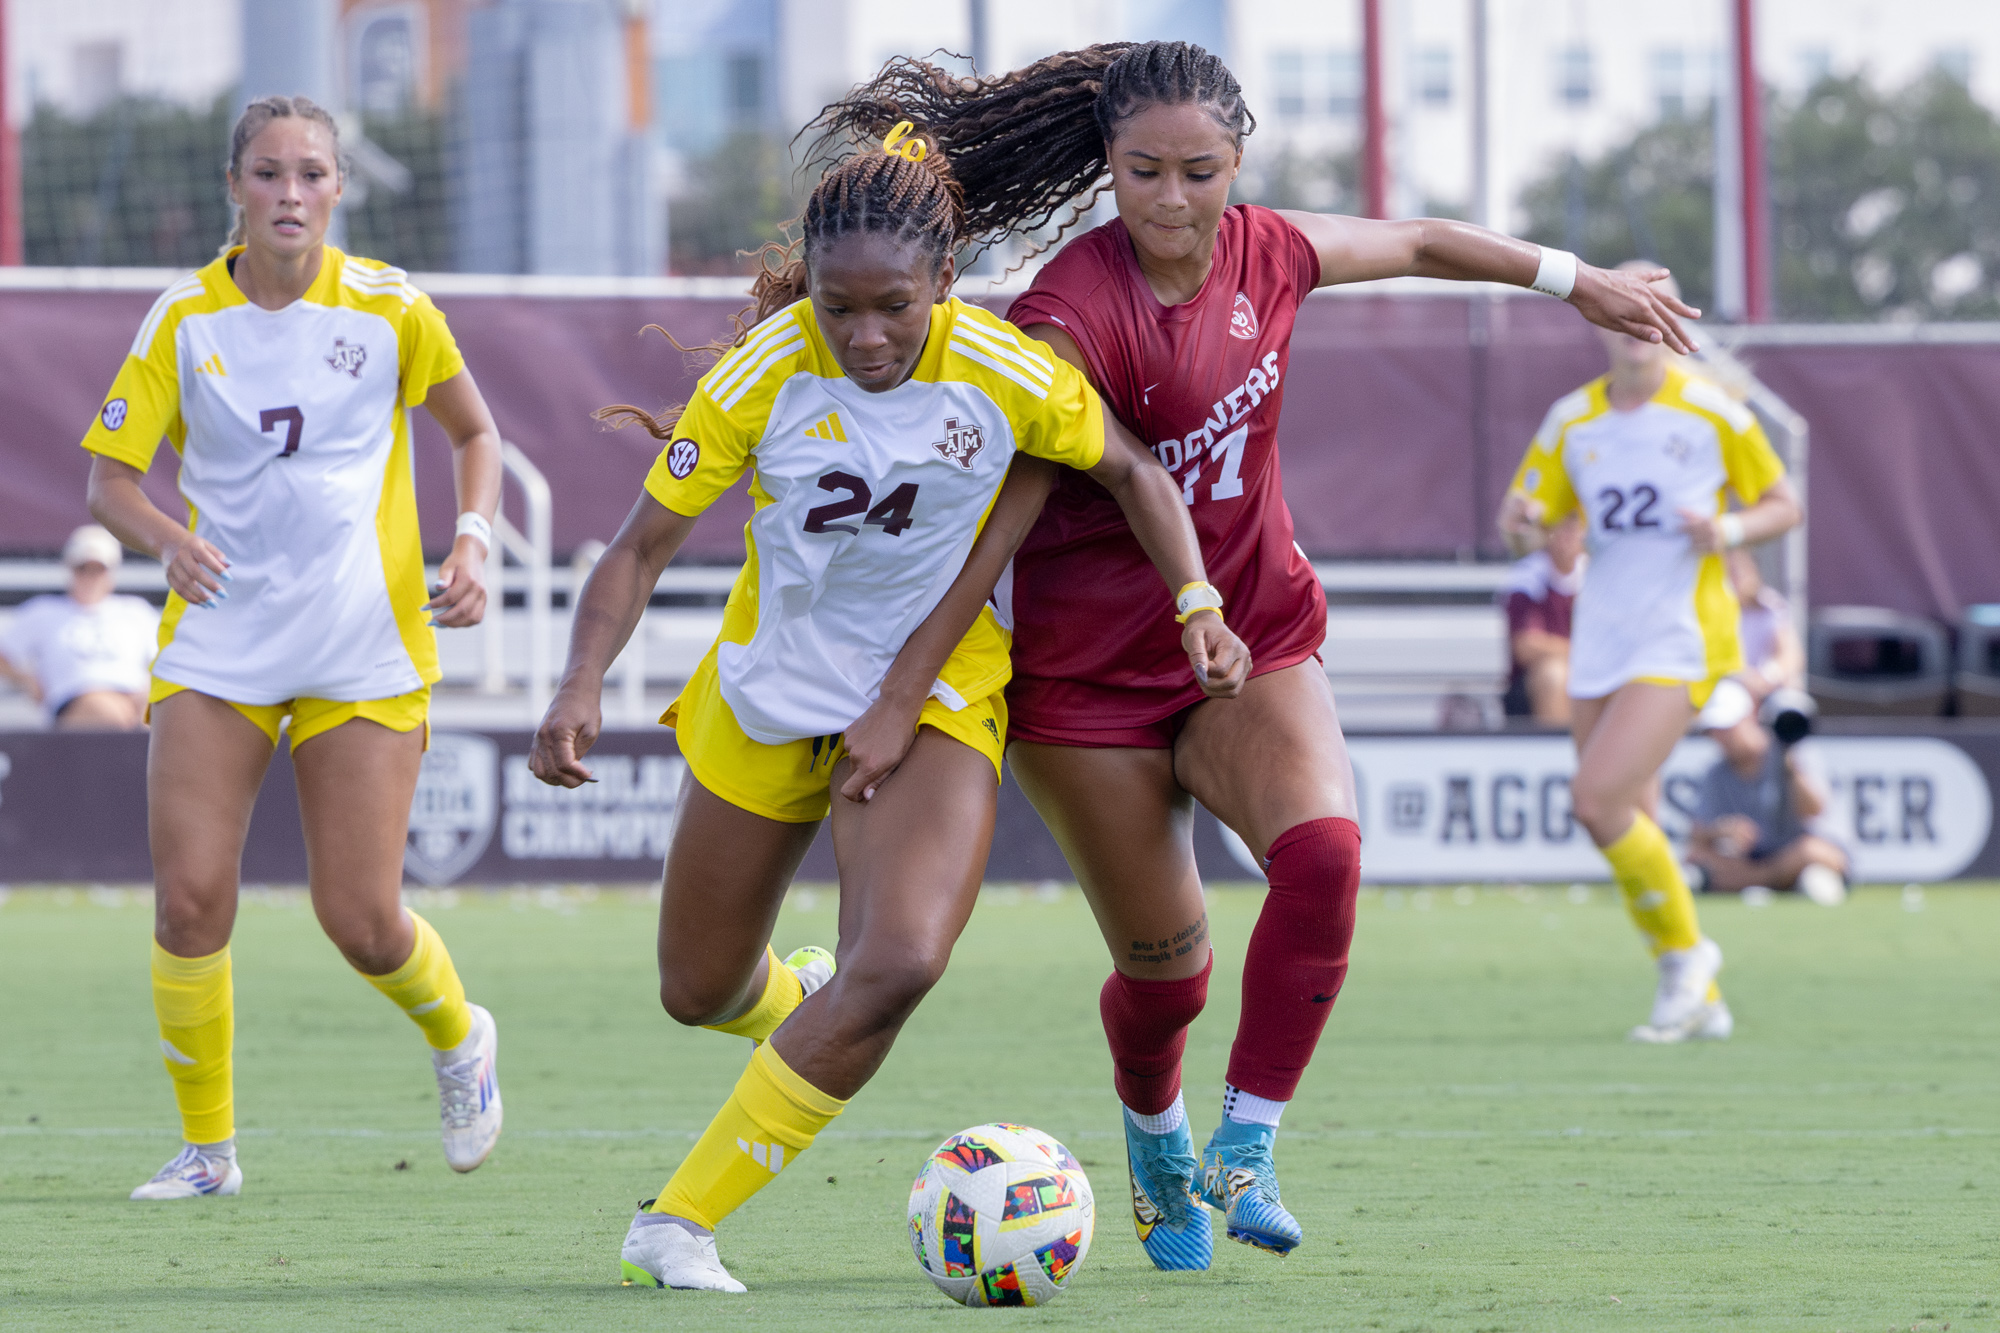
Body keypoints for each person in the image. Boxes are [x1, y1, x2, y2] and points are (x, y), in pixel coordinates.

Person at [805, 41, 1700, 1268]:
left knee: (1324, 854)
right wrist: (908, 689)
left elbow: (1429, 243)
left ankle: (1246, 1140)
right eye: (1140, 173)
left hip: (1254, 631)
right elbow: (1010, 508)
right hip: (1089, 681)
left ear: (1238, 163)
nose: (1170, 201)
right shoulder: (1067, 313)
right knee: (1166, 975)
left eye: (1198, 171)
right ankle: (1153, 1127)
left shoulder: (1271, 252)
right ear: (1105, 167)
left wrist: (1574, 279)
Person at [527, 123, 1244, 1294]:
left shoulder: (1006, 371)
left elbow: (1133, 473)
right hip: (771, 693)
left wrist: (1196, 602)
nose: (864, 336)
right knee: (696, 990)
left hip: (941, 695)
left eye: (893, 309)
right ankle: (796, 998)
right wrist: (578, 679)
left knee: (901, 958)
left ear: (943, 287)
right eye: (836, 307)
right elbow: (638, 546)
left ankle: (677, 1221)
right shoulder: (761, 372)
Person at [80, 96, 507, 1200]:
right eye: (267, 174)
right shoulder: (181, 319)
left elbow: (474, 433)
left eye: (311, 174)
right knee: (188, 901)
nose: (290, 194)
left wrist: (470, 539)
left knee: (360, 922)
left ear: (337, 190)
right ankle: (209, 1151)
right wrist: (169, 543)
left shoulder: (391, 308)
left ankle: (462, 1037)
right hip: (219, 647)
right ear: (234, 187)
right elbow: (110, 484)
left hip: (362, 646)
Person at [1500, 264, 1802, 1045]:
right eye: (1619, 311)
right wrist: (1527, 522)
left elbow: (1783, 504)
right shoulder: (1572, 419)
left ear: (1669, 319)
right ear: (1595, 319)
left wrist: (1727, 531)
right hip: (1600, 633)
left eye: (1649, 311)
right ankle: (1692, 983)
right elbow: (1524, 523)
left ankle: (1687, 961)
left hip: (1683, 636)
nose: (1633, 325)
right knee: (1628, 818)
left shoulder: (1712, 410)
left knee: (1594, 801)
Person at [1685, 680, 1847, 905]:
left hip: (1800, 854)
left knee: (1813, 861)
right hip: (1754, 859)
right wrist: (1721, 830)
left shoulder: (1792, 749)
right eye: (1714, 731)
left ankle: (1763, 882)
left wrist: (1790, 766)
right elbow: (1696, 836)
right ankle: (1770, 882)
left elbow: (1813, 811)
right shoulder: (1716, 772)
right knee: (1696, 858)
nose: (1720, 738)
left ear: (1750, 717)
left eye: (1727, 728)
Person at [0, 524, 159, 729]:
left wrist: (147, 692)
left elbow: (167, 660)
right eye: (83, 568)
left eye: (98, 569)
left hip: (133, 706)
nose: (90, 578)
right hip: (74, 706)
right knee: (101, 709)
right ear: (70, 569)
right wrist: (27, 679)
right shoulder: (44, 612)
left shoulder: (136, 611)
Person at [1500, 512, 1586, 724]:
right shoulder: (1528, 577)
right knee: (1555, 675)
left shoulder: (1596, 576)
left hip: (1588, 671)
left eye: (1574, 529)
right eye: (1560, 528)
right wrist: (1581, 652)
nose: (1567, 537)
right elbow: (1526, 646)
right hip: (1529, 687)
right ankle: (1560, 754)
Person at [1727, 548, 1805, 703]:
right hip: (1729, 687)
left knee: (1791, 694)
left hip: (1766, 687)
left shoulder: (1771, 604)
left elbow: (1791, 655)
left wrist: (1769, 676)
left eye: (1741, 571)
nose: (1738, 579)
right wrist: (1743, 678)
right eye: (1731, 573)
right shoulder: (1713, 609)